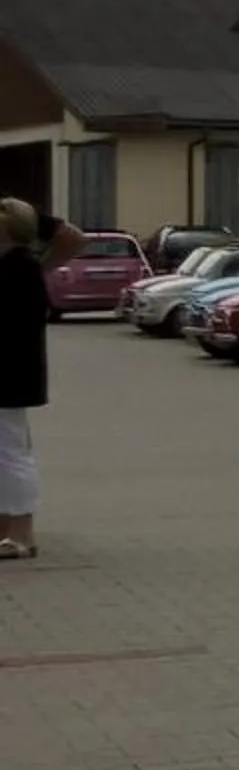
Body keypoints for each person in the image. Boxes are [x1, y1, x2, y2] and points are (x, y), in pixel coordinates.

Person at [0, 197, 83, 560]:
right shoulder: (16, 266)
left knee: (11, 453)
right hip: (9, 375)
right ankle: (8, 527)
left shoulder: (20, 269)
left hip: (8, 376)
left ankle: (21, 531)